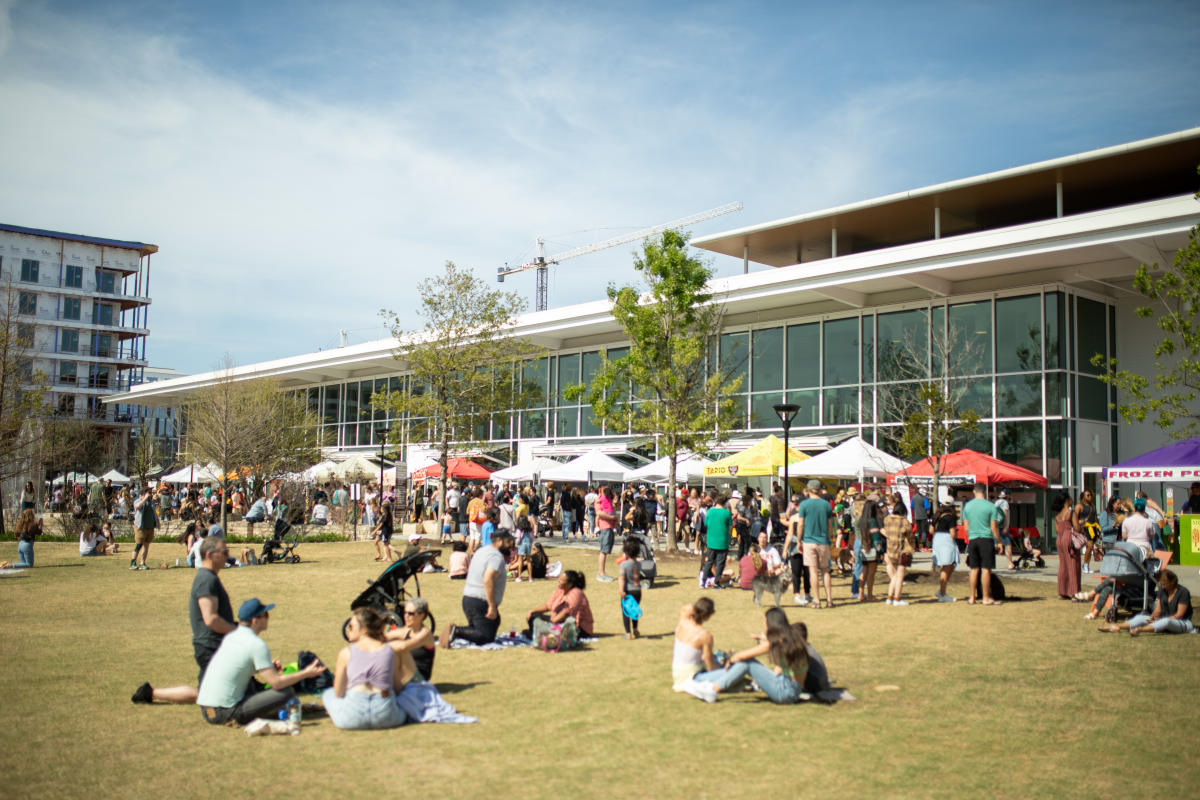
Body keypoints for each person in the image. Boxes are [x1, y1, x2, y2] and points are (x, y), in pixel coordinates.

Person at [131, 536, 238, 706]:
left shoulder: (209, 577)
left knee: (208, 694)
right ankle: (150, 693)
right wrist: (236, 630)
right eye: (224, 552)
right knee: (213, 695)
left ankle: (150, 693)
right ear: (210, 554)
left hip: (213, 643)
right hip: (210, 644)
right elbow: (211, 619)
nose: (227, 555)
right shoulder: (206, 579)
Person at [196, 597, 326, 726]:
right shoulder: (256, 644)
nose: (268, 617)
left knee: (255, 688)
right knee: (287, 692)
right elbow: (277, 683)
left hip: (206, 710)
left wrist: (266, 667)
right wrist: (306, 673)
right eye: (265, 614)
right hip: (226, 713)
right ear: (255, 620)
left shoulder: (231, 637)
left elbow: (239, 666)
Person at [322, 606, 412, 730]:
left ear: (364, 630)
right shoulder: (388, 650)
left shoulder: (346, 653)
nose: (349, 630)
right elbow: (397, 687)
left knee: (328, 694)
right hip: (385, 715)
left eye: (351, 627)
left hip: (352, 717)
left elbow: (338, 693)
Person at [706, 607, 809, 705]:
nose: (764, 625)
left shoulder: (777, 642)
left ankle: (713, 689)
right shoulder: (790, 638)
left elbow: (741, 656)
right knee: (746, 662)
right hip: (791, 689)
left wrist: (731, 660)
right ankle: (702, 680)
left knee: (747, 662)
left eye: (765, 622)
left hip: (785, 691)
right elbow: (779, 669)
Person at [440, 530, 514, 647]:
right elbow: (488, 579)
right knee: (485, 636)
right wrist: (491, 605)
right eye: (508, 542)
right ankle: (455, 631)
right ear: (499, 541)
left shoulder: (481, 551)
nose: (511, 545)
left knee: (494, 621)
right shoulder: (496, 556)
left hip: (468, 599)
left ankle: (464, 631)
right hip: (480, 601)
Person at [1099, 570, 1193, 635]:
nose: (1163, 586)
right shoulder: (1162, 591)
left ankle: (1140, 630)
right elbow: (1158, 609)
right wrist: (1152, 617)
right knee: (1141, 617)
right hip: (1163, 619)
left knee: (1166, 621)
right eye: (1161, 584)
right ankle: (1117, 626)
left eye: (1165, 584)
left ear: (1172, 582)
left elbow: (1179, 615)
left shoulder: (1183, 592)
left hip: (1182, 622)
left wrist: (1160, 620)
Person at [793, 479, 835, 608]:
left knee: (813, 571)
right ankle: (829, 599)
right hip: (823, 541)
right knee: (825, 571)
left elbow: (800, 524)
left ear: (809, 489)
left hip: (809, 541)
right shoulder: (826, 504)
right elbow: (830, 525)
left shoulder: (804, 505)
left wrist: (799, 540)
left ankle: (817, 600)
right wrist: (829, 539)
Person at [963, 483, 1003, 606]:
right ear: (985, 492)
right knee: (986, 569)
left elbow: (966, 527)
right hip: (986, 539)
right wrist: (999, 542)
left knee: (974, 569)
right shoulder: (991, 506)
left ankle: (972, 598)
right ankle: (985, 597)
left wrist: (971, 536)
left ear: (974, 491)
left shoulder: (967, 506)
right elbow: (994, 527)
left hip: (973, 539)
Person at [525, 570, 594, 637]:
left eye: (561, 580)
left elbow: (567, 611)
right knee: (534, 616)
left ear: (570, 584)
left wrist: (553, 622)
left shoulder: (576, 593)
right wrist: (532, 611)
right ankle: (537, 634)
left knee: (554, 629)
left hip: (577, 627)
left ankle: (538, 635)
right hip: (558, 621)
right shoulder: (560, 590)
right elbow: (548, 605)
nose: (559, 581)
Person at [387, 597, 437, 681]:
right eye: (405, 612)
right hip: (405, 672)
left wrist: (382, 645)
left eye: (411, 614)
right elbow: (385, 636)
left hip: (419, 677)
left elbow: (404, 646)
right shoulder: (407, 630)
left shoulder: (425, 634)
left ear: (422, 615)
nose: (406, 616)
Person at [882, 501, 916, 607]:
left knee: (894, 576)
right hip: (902, 550)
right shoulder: (904, 522)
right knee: (899, 576)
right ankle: (897, 599)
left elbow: (884, 531)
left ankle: (889, 598)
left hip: (890, 550)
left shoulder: (887, 519)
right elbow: (910, 537)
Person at [700, 493, 732, 590]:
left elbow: (706, 524)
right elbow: (730, 527)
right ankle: (717, 583)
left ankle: (703, 581)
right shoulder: (726, 513)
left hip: (711, 541)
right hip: (722, 541)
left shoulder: (710, 511)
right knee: (720, 563)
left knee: (709, 562)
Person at [1053, 492, 1080, 600]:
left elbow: (1056, 529)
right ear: (1066, 501)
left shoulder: (1058, 515)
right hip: (1069, 538)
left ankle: (1062, 591)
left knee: (1063, 565)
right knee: (1073, 565)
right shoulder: (1070, 512)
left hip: (1060, 539)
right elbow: (1077, 527)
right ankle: (1074, 592)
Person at [930, 504, 959, 602]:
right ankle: (943, 594)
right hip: (946, 541)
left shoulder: (936, 516)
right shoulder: (950, 517)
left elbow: (931, 530)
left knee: (948, 565)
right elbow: (952, 533)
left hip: (937, 539)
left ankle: (941, 590)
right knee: (947, 566)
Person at [751, 531, 785, 607]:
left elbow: (779, 564)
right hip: (759, 573)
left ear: (767, 539)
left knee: (780, 571)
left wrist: (772, 567)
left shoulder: (772, 550)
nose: (763, 539)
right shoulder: (754, 550)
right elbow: (749, 563)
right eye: (761, 537)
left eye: (764, 537)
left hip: (771, 572)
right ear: (758, 539)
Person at [618, 538, 643, 639]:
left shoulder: (624, 564)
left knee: (626, 612)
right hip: (638, 591)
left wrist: (621, 590)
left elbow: (622, 578)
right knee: (634, 610)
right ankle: (636, 629)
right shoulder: (639, 564)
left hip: (628, 590)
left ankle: (628, 633)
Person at [131, 485, 159, 570]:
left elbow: (154, 513)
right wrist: (144, 499)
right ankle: (132, 563)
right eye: (149, 493)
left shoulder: (151, 503)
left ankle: (142, 562)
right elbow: (138, 506)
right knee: (138, 545)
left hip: (150, 527)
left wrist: (157, 522)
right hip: (140, 527)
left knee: (146, 546)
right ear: (143, 494)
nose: (150, 494)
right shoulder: (138, 501)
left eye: (150, 493)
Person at [1072, 489, 1100, 574]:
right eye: (1088, 495)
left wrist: (1098, 528)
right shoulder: (1079, 506)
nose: (1090, 497)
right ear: (1083, 496)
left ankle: (1086, 564)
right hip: (1085, 529)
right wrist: (1078, 524)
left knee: (1090, 547)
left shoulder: (1093, 506)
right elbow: (1074, 518)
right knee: (1090, 545)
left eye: (1090, 495)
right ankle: (1084, 565)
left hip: (1093, 528)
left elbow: (1095, 517)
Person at [594, 485, 618, 582]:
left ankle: (602, 573)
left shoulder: (608, 499)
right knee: (603, 551)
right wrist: (612, 518)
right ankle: (601, 573)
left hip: (610, 527)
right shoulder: (598, 500)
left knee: (606, 550)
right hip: (605, 527)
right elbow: (599, 513)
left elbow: (612, 508)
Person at [994, 489, 1015, 569]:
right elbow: (1005, 516)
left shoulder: (996, 502)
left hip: (995, 526)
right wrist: (1006, 527)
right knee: (1007, 545)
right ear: (1007, 495)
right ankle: (1010, 563)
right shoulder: (1005, 503)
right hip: (1002, 527)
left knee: (995, 544)